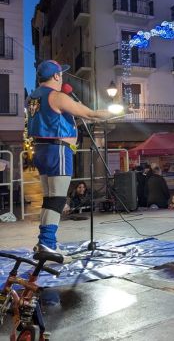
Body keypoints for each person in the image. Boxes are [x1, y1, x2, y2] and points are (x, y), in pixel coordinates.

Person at [27, 60, 112, 253]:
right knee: (56, 200)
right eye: (61, 74)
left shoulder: (33, 97)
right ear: (56, 76)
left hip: (41, 150)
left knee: (50, 198)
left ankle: (45, 242)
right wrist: (119, 112)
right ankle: (47, 244)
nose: (63, 77)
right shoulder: (57, 96)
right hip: (58, 150)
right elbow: (90, 114)